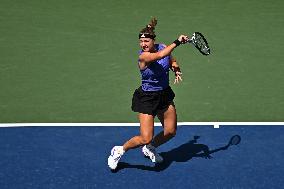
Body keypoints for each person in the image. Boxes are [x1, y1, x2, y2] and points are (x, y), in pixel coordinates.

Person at [108, 17, 189, 170]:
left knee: (171, 131)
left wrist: (176, 68)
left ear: (153, 41)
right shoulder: (143, 57)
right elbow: (159, 56)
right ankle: (119, 150)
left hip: (164, 95)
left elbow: (169, 58)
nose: (143, 44)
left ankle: (149, 148)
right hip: (147, 98)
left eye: (146, 41)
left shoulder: (163, 47)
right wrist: (177, 41)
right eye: (141, 42)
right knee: (145, 137)